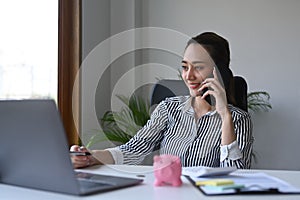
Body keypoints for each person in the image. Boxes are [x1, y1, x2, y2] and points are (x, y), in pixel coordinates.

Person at [71, 32, 254, 169]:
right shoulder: (169, 108)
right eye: (184, 67)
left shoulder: (238, 119)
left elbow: (236, 175)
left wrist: (225, 116)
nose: (188, 76)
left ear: (219, 72)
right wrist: (90, 156)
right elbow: (133, 149)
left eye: (197, 67)